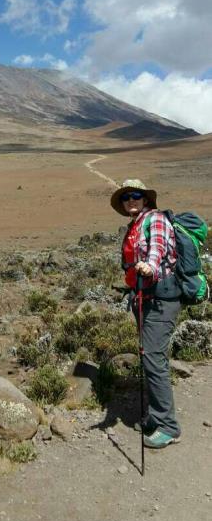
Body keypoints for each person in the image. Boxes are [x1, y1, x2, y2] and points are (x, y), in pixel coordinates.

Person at [111, 179, 182, 449]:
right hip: (143, 298)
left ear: (146, 199)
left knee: (154, 359)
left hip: (162, 300)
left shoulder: (156, 219)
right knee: (149, 357)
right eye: (126, 196)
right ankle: (155, 415)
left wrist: (149, 267)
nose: (131, 199)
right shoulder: (135, 224)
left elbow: (158, 250)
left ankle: (168, 426)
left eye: (136, 195)